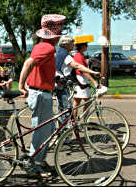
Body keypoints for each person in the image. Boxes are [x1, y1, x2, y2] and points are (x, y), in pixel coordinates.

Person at [18, 14, 66, 177]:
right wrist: (20, 84)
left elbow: (41, 69)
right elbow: (28, 63)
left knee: (50, 129)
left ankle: (39, 160)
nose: (59, 38)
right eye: (59, 34)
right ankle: (32, 165)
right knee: (42, 131)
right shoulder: (48, 48)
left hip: (42, 92)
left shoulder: (41, 46)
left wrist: (55, 81)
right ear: (55, 36)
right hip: (40, 94)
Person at [55, 36, 100, 131]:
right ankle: (63, 133)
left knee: (67, 108)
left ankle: (70, 127)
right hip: (62, 84)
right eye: (72, 43)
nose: (73, 45)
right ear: (66, 44)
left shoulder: (61, 52)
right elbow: (77, 66)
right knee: (66, 110)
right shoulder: (66, 55)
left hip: (62, 83)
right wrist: (93, 73)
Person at [72, 41, 99, 121]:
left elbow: (85, 68)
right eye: (86, 45)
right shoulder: (79, 56)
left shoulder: (80, 55)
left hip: (80, 80)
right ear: (82, 46)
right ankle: (83, 121)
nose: (87, 46)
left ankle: (75, 121)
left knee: (77, 103)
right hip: (81, 80)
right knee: (86, 102)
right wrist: (94, 81)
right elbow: (83, 71)